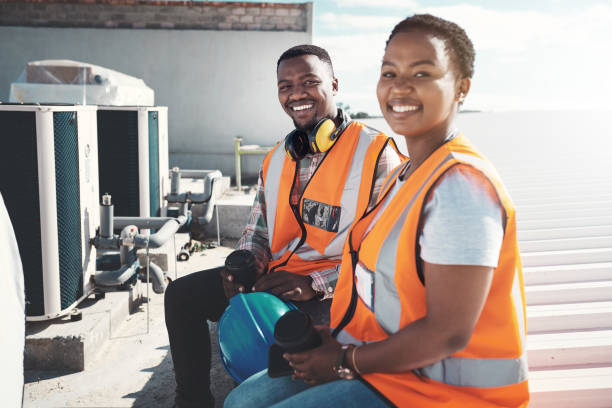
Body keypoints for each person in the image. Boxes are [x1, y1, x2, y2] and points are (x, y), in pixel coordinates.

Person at [224, 14, 530, 408]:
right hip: (387, 365)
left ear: (461, 88)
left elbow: (448, 334)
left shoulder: (459, 188)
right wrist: (337, 337)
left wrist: (344, 360)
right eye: (390, 72)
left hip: (446, 394)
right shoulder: (409, 175)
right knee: (240, 402)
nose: (400, 87)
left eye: (422, 73)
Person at [164, 44, 403, 408]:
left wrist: (314, 284)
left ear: (334, 85)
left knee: (277, 359)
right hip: (276, 279)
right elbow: (257, 232)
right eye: (285, 86)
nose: (296, 94)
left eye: (309, 81)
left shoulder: (377, 153)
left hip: (338, 293)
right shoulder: (278, 156)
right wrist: (243, 265)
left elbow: (388, 259)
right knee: (181, 296)